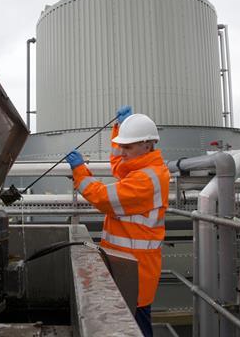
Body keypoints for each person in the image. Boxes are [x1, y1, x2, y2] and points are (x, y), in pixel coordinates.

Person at [65, 105, 170, 337]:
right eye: (121, 146)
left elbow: (103, 199)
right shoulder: (140, 165)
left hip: (137, 270)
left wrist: (79, 171)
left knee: (135, 327)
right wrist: (119, 130)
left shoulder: (147, 179)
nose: (122, 152)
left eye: (127, 146)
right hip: (126, 264)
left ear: (147, 144)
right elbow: (119, 164)